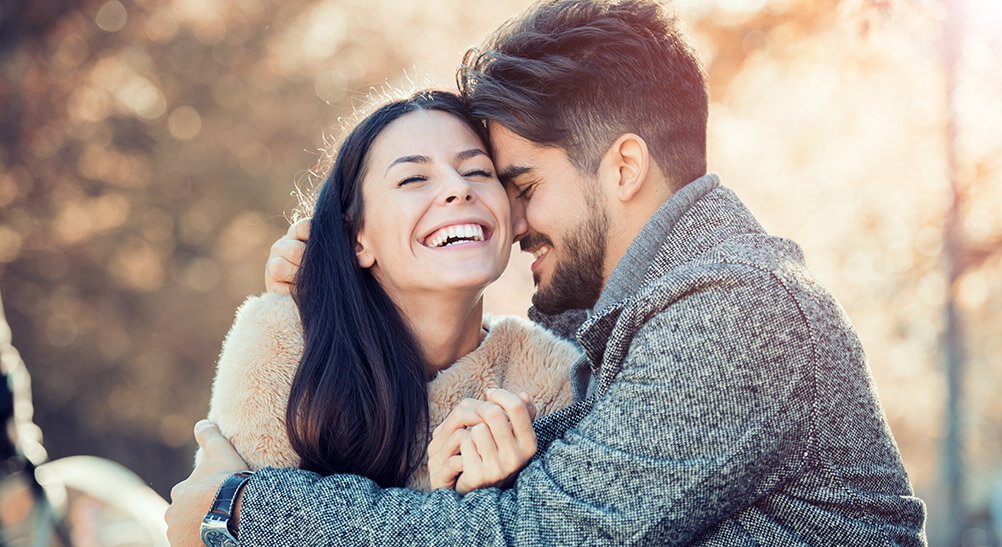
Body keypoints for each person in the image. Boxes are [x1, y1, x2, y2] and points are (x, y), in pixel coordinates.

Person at [167, 0, 928, 544]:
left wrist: (244, 509)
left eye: (519, 185)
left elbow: (539, 531)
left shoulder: (736, 312)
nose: (513, 216)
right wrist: (335, 301)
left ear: (625, 166)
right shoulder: (645, 324)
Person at [200, 90, 580, 496]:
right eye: (413, 178)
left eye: (478, 172)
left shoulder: (554, 380)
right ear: (358, 239)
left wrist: (489, 502)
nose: (458, 188)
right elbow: (223, 525)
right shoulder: (282, 348)